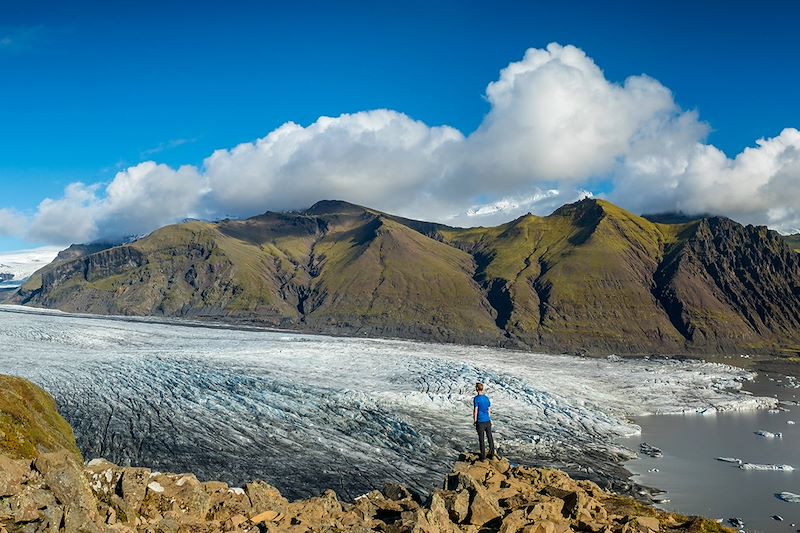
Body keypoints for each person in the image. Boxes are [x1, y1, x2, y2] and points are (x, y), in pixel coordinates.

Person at [472, 382, 495, 460]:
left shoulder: (476, 398)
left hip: (480, 421)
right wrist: (488, 419)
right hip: (487, 421)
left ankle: (483, 457)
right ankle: (491, 454)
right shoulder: (486, 398)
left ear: (477, 389)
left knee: (481, 439)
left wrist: (475, 420)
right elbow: (489, 410)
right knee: (490, 437)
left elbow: (476, 410)